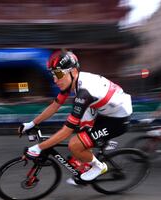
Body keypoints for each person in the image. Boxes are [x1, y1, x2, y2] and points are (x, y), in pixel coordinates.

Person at [18, 50, 132, 185]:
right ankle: (91, 151)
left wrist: (39, 148)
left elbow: (66, 131)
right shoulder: (73, 81)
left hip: (118, 119)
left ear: (72, 72)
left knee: (75, 145)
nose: (55, 80)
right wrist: (31, 123)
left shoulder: (84, 94)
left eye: (58, 74)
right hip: (104, 107)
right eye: (53, 74)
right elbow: (55, 106)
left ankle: (99, 166)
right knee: (82, 135)